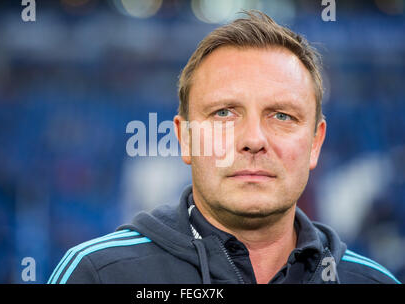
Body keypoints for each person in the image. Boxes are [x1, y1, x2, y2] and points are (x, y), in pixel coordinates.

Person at [48, 11, 401, 284]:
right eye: (224, 113)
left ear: (315, 143)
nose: (253, 140)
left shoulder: (374, 281)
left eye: (281, 115)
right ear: (185, 138)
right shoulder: (97, 274)